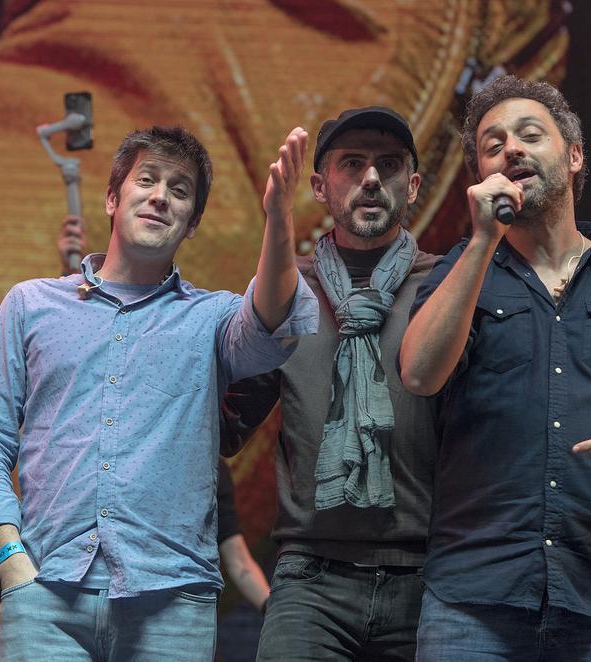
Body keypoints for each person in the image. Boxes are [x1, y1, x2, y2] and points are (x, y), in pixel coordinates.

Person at [0, 125, 317, 660]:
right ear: (111, 198)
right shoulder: (30, 306)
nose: (160, 196)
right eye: (147, 179)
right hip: (46, 595)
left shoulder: (212, 318)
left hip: (173, 603)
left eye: (179, 189)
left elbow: (271, 328)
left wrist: (279, 219)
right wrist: (13, 563)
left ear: (192, 223)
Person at [398, 74, 591, 660]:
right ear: (481, 176)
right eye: (493, 145)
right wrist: (482, 240)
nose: (511, 148)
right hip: (474, 600)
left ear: (574, 154)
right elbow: (418, 374)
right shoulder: (459, 275)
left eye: (530, 134)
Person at [220, 107, 442, 660]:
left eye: (388, 165)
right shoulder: (289, 290)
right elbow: (224, 424)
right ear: (320, 185)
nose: (371, 178)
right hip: (310, 577)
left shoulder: (448, 287)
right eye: (352, 163)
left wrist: (587, 261)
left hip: (429, 572)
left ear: (412, 185)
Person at [58, 217, 272, 615]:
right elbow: (92, 367)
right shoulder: (90, 441)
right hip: (66, 593)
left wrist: (275, 612)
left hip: (166, 606)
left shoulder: (205, 472)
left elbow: (238, 561)